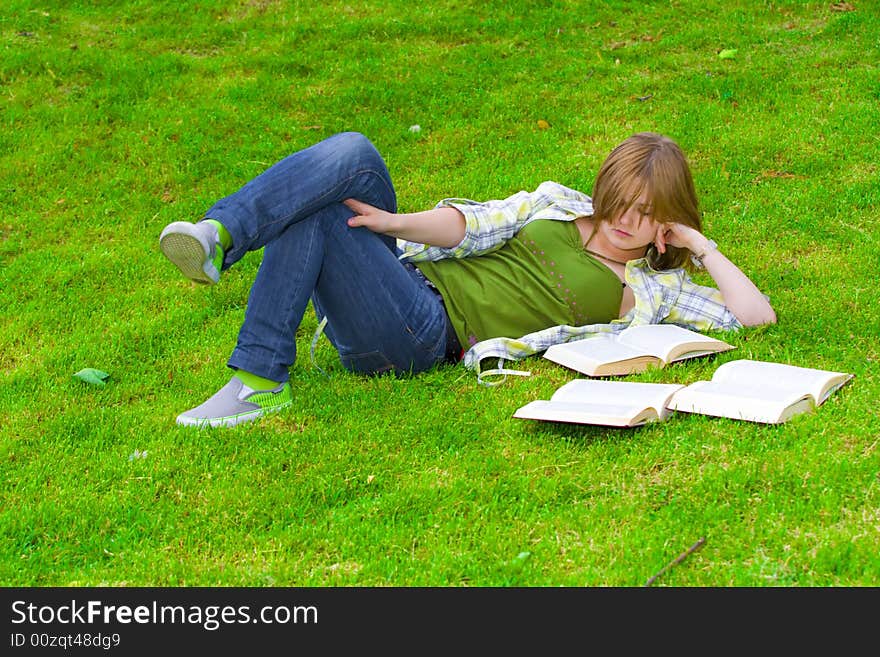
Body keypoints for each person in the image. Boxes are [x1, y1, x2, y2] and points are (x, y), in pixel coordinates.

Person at [159, 131, 776, 427]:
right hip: (404, 279)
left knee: (315, 213)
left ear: (666, 218)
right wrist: (393, 222)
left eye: (647, 215)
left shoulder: (652, 290)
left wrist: (699, 244)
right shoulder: (556, 204)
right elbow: (474, 224)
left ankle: (259, 380)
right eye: (620, 202)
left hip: (426, 333)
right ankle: (220, 233)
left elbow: (753, 318)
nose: (626, 222)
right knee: (353, 154)